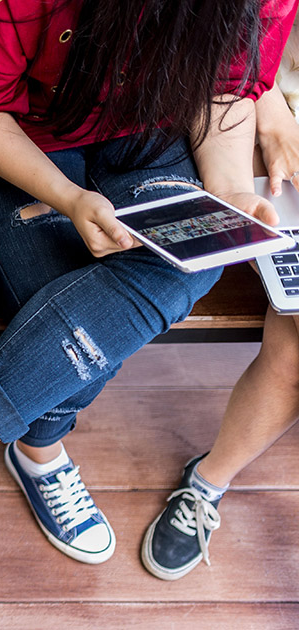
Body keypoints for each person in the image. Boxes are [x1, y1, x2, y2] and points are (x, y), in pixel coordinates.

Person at [0, 0, 297, 625]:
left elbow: (225, 90)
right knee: (66, 317)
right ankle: (38, 447)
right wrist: (67, 197)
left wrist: (229, 194)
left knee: (190, 263)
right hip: (23, 140)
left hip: (151, 138)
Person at [140, 76, 299, 581]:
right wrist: (272, 109)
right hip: (257, 113)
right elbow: (232, 36)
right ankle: (207, 482)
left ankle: (207, 482)